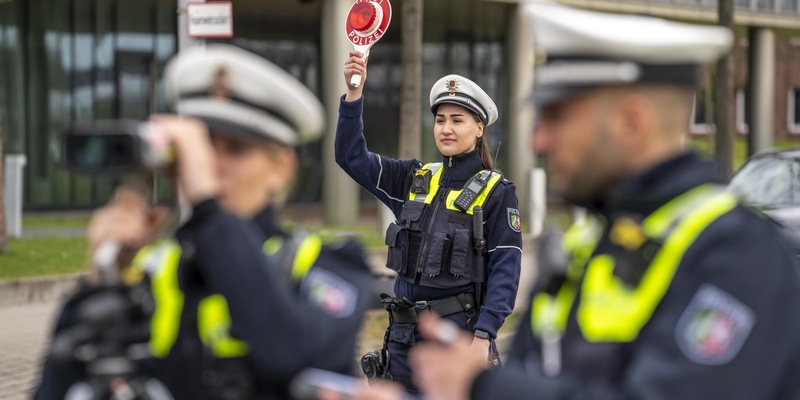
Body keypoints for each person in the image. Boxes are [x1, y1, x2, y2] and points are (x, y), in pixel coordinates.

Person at [404, 2, 800, 399]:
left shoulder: (738, 257)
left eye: (557, 117)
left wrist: (484, 386)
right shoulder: (588, 241)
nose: (538, 140)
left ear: (632, 122)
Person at [36, 44, 376, 400]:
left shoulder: (332, 264)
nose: (211, 166)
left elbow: (289, 351)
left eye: (235, 150)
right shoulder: (154, 270)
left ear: (282, 167)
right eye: (201, 149)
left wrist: (208, 209)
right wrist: (98, 281)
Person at [336, 51, 523, 391]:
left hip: (456, 338)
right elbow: (350, 156)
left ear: (479, 128)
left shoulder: (497, 192)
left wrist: (484, 337)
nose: (446, 128)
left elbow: (505, 270)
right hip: (402, 340)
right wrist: (353, 95)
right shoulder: (414, 177)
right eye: (440, 120)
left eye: (458, 120)